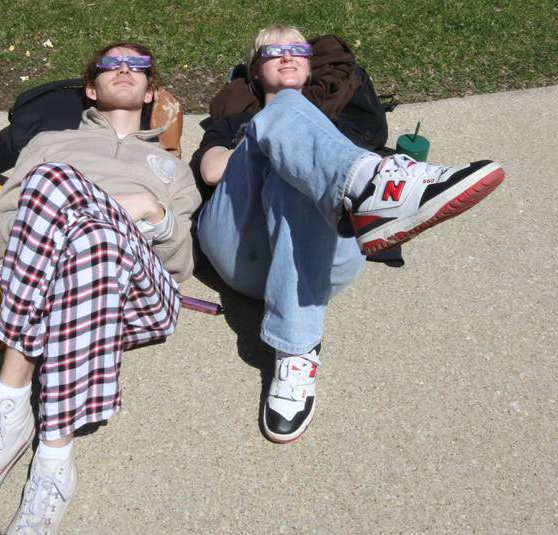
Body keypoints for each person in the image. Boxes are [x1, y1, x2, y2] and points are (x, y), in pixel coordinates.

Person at [0, 42, 201, 532]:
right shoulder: (48, 144)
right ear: (92, 88)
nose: (124, 70)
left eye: (138, 67)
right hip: (56, 275)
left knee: (73, 202)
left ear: (151, 91)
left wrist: (151, 211)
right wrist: (84, 218)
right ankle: (52, 457)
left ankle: (10, 399)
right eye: (112, 65)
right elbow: (0, 235)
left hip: (135, 298)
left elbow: (178, 267)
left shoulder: (173, 169)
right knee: (76, 210)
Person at [191, 25, 504, 444]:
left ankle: (296, 349)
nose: (286, 56)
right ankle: (373, 185)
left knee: (297, 168)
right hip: (240, 253)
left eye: (297, 49)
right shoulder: (234, 116)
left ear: (309, 63)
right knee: (281, 138)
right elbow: (212, 170)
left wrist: (304, 150)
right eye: (273, 51)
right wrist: (267, 139)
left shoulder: (340, 116)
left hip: (321, 262)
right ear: (254, 69)